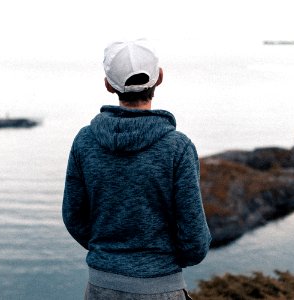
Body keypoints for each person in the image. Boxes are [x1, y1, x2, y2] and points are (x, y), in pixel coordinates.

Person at [62, 39, 212, 300]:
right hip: (161, 287)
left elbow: (74, 217)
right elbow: (195, 239)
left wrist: (108, 253)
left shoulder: (85, 141)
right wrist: (163, 262)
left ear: (108, 84)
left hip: (100, 287)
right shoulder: (178, 147)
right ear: (159, 78)